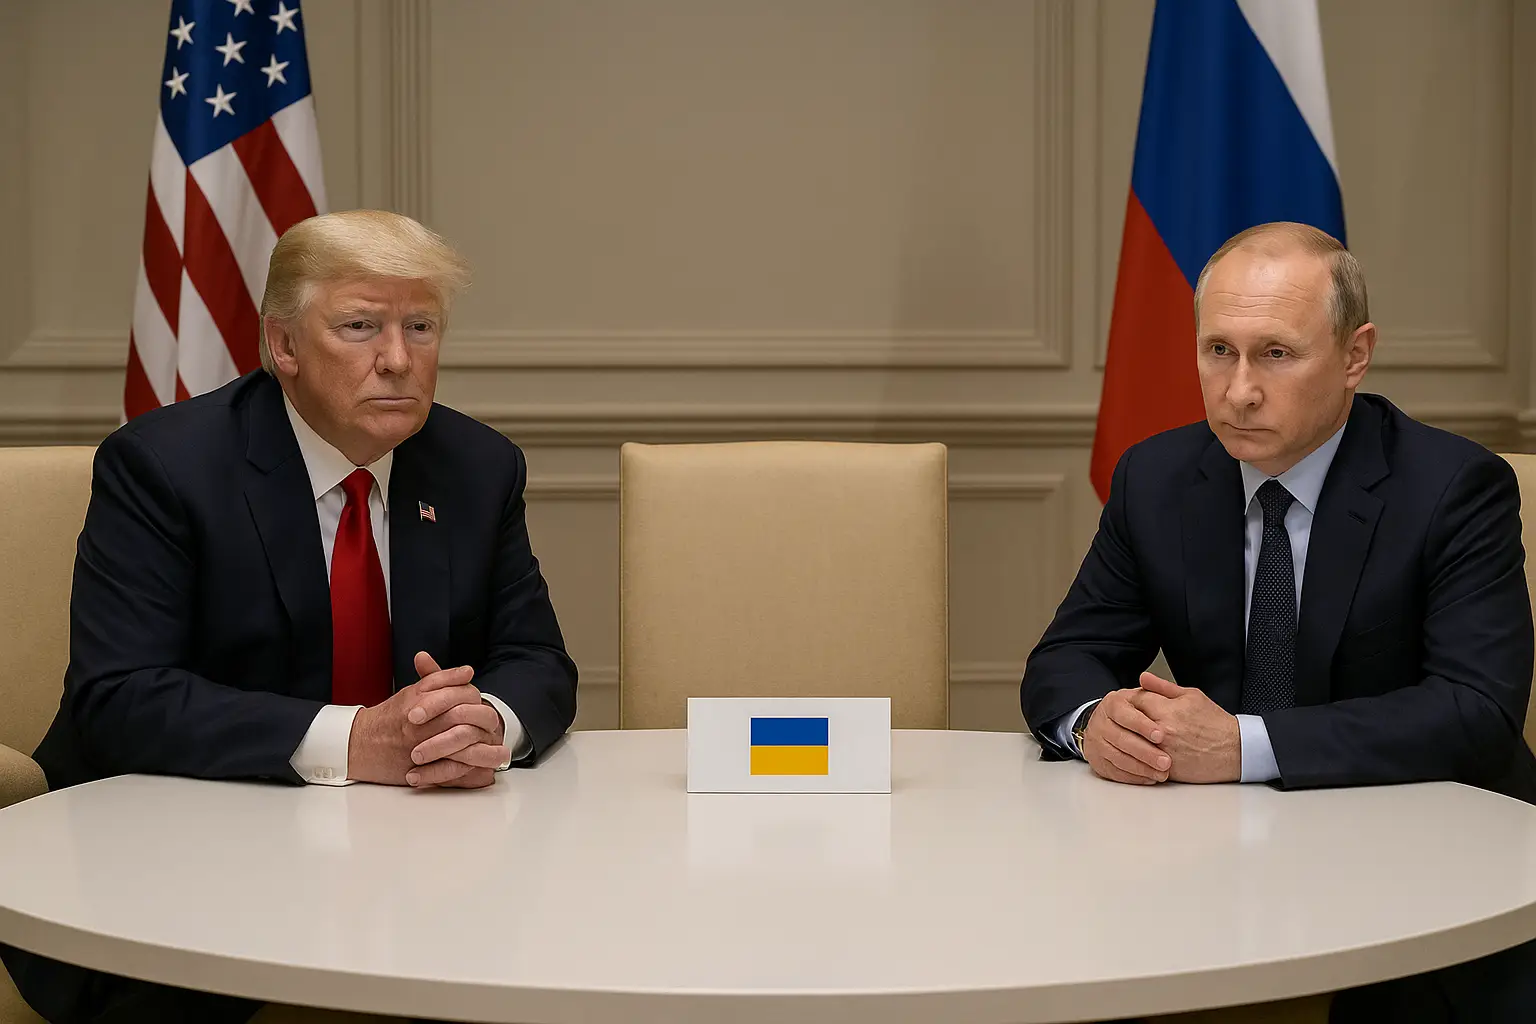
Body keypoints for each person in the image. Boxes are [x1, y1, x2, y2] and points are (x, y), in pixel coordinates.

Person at [2, 210, 578, 1023]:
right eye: (359, 326)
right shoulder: (165, 467)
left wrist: (488, 719)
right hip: (170, 873)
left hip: (411, 876)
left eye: (421, 326)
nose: (398, 358)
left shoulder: (477, 466)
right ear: (283, 347)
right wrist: (355, 741)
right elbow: (119, 697)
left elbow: (539, 661)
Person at [1021, 221, 1536, 1022]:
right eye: (1218, 350)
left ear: (1355, 356)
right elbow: (1066, 659)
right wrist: (1098, 724)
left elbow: (1478, 708)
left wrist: (1242, 746)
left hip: (1430, 866)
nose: (1238, 392)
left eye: (1276, 354)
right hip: (1213, 868)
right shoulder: (1157, 476)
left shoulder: (1453, 487)